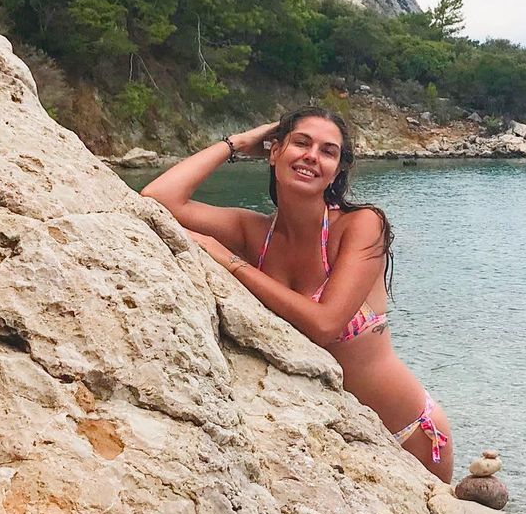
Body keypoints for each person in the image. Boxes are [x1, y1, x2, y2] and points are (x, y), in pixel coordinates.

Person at [140, 106, 453, 482]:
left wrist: (230, 261)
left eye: (328, 151)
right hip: (333, 439)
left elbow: (324, 324)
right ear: (274, 152)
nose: (312, 156)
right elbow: (157, 197)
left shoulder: (362, 224)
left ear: (337, 170)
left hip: (409, 435)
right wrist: (237, 143)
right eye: (301, 143)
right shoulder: (254, 232)